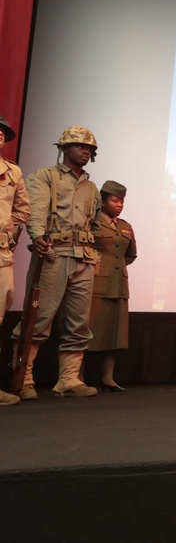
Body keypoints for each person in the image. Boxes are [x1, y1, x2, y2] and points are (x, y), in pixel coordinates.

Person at [17, 126, 102, 399]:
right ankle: (23, 376)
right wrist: (38, 236)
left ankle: (68, 379)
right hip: (54, 254)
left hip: (83, 258)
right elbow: (35, 210)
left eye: (90, 148)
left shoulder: (92, 187)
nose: (86, 150)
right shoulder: (45, 176)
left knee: (78, 322)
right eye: (80, 145)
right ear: (64, 148)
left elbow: (96, 223)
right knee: (38, 316)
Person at [86, 181, 137, 392]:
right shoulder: (92, 222)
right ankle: (75, 377)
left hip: (118, 285)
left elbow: (131, 255)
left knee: (115, 334)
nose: (119, 205)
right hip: (95, 284)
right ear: (103, 201)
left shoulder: (125, 226)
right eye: (115, 200)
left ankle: (108, 378)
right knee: (87, 331)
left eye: (122, 201)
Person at [0, 116, 30, 405]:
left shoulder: (12, 172)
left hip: (1, 254)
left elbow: (24, 210)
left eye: (2, 132)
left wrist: (6, 226)